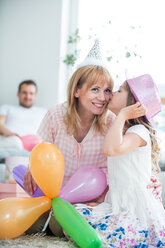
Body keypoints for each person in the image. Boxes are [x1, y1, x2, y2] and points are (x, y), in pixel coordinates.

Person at [23, 41, 162, 236]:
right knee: (29, 225)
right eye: (95, 89)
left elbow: (131, 159)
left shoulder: (113, 121)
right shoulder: (55, 115)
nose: (103, 97)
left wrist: (150, 181)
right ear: (77, 91)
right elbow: (40, 149)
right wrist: (32, 165)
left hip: (91, 201)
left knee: (60, 227)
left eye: (107, 90)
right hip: (52, 196)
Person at [73, 74, 165, 247]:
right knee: (76, 217)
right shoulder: (121, 129)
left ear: (132, 102)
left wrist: (122, 115)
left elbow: (110, 150)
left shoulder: (139, 131)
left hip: (134, 207)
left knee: (106, 236)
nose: (111, 94)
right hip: (118, 201)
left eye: (119, 90)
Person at [0, 80, 47, 149]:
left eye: (31, 93)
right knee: (15, 142)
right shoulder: (6, 108)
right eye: (24, 93)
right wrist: (9, 134)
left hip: (36, 147)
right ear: (18, 94)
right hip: (12, 143)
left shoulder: (44, 112)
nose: (28, 97)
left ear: (36, 96)